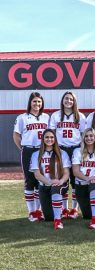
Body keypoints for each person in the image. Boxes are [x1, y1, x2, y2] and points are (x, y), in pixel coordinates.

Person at [13, 92, 50, 222]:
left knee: (41, 180)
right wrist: (22, 148)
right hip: (28, 150)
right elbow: (16, 135)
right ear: (30, 103)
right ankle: (31, 212)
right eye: (34, 101)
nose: (37, 104)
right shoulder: (22, 117)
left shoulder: (46, 117)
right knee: (30, 181)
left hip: (42, 151)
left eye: (39, 102)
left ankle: (38, 211)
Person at [49, 91, 86, 219]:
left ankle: (74, 209)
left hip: (75, 149)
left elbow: (83, 135)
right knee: (62, 178)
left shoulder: (80, 116)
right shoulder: (55, 115)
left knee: (75, 180)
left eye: (71, 99)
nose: (68, 101)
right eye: (66, 99)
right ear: (62, 100)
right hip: (60, 149)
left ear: (74, 102)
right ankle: (64, 208)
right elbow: (51, 134)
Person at [30, 129, 71, 230]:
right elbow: (37, 174)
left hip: (59, 184)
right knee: (49, 217)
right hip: (44, 185)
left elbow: (66, 173)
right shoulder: (36, 154)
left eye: (52, 137)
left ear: (55, 139)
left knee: (55, 189)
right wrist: (49, 182)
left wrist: (60, 181)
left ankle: (58, 221)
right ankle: (57, 208)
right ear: (43, 139)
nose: (49, 139)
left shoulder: (62, 153)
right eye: (47, 137)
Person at [72, 128, 95, 229]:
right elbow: (75, 171)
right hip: (81, 184)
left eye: (91, 136)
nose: (89, 138)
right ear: (83, 138)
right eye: (86, 136)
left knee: (94, 185)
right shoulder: (77, 151)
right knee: (87, 215)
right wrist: (88, 178)